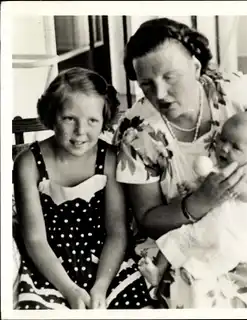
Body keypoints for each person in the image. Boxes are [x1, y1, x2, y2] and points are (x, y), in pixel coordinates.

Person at [113, 17, 247, 308]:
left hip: (242, 228)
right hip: (180, 240)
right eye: (147, 84)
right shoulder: (137, 133)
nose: (159, 94)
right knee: (199, 291)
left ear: (196, 68)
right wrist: (200, 202)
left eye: (170, 77)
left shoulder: (232, 92)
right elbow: (148, 218)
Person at [12, 67, 154, 309]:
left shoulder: (109, 158)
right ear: (51, 116)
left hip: (106, 264)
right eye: (69, 118)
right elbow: (35, 239)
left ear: (105, 120)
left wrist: (101, 285)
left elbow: (117, 232)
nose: (80, 131)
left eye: (92, 121)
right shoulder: (28, 163)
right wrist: (69, 289)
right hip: (50, 269)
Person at [138, 112, 247, 308]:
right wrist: (193, 188)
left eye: (235, 147)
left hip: (237, 224)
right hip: (210, 218)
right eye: (222, 140)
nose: (225, 148)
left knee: (223, 249)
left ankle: (212, 276)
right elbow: (204, 185)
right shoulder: (215, 163)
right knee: (177, 237)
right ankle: (157, 272)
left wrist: (238, 187)